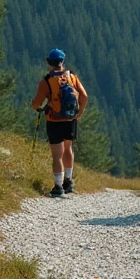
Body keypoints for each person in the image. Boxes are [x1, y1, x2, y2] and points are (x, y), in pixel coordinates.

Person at [30, 48, 88, 197]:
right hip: (70, 119)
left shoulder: (46, 81)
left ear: (49, 62)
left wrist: (38, 106)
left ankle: (58, 186)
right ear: (62, 62)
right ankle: (69, 182)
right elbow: (84, 96)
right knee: (68, 149)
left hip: (54, 120)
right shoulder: (72, 77)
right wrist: (78, 114)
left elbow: (36, 104)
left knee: (57, 155)